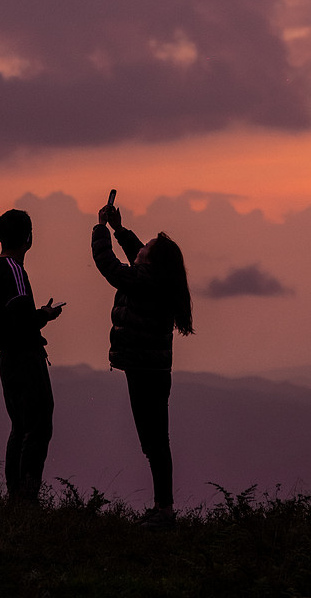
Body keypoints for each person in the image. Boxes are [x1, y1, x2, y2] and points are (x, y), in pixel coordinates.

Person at [92, 198, 193, 528]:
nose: (143, 246)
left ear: (152, 260)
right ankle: (162, 508)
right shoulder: (154, 277)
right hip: (151, 370)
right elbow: (136, 254)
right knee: (155, 442)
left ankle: (164, 511)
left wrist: (100, 229)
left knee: (154, 443)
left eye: (148, 246)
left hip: (145, 372)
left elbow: (110, 267)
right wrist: (119, 229)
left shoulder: (145, 280)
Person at [0, 208, 64, 502]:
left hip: (8, 358)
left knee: (20, 427)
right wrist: (43, 315)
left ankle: (17, 496)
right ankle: (27, 497)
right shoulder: (14, 269)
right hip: (25, 357)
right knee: (39, 426)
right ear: (28, 237)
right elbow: (20, 317)